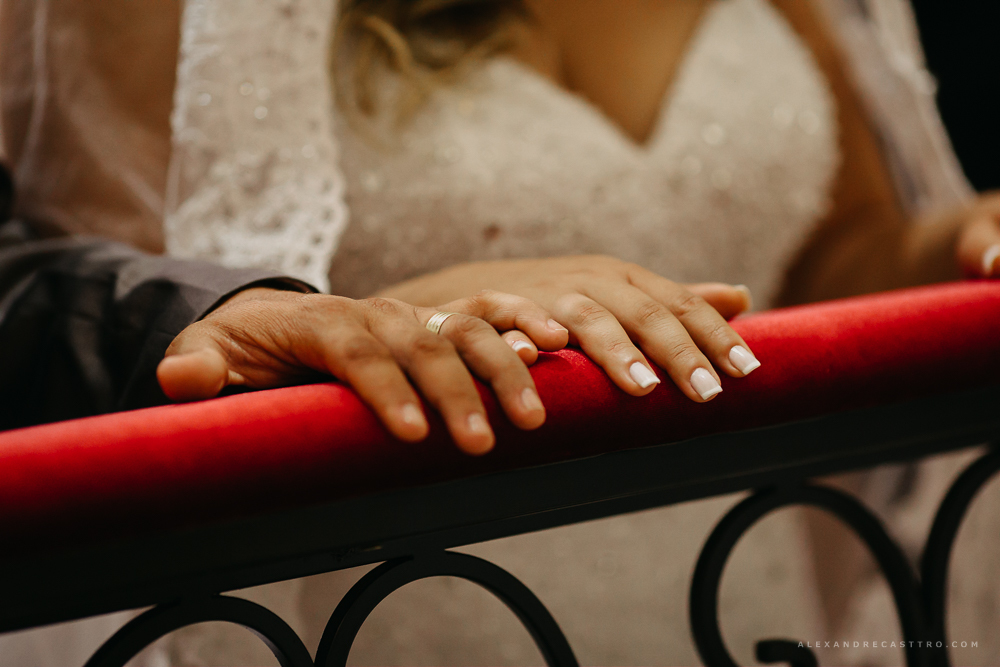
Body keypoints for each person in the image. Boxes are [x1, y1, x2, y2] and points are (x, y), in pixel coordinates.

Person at [2, 0, 1000, 665]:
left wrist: (961, 241)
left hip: (730, 570)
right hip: (404, 586)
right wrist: (405, 310)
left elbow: (833, 252)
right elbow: (142, 335)